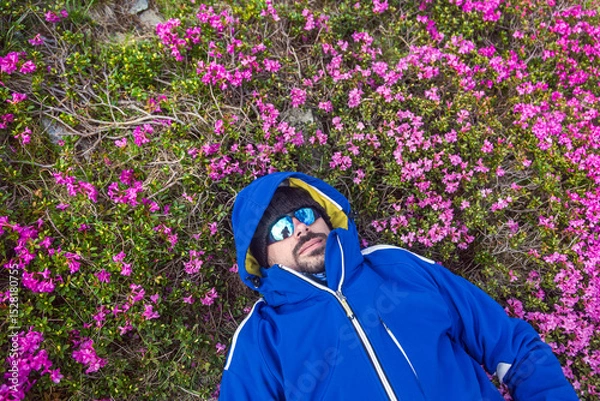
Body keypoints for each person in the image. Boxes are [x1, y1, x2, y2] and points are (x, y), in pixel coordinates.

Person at [219, 171, 579, 401]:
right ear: (261, 257)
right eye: (281, 228)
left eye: (306, 214)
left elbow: (510, 344)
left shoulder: (396, 267)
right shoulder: (261, 339)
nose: (300, 228)